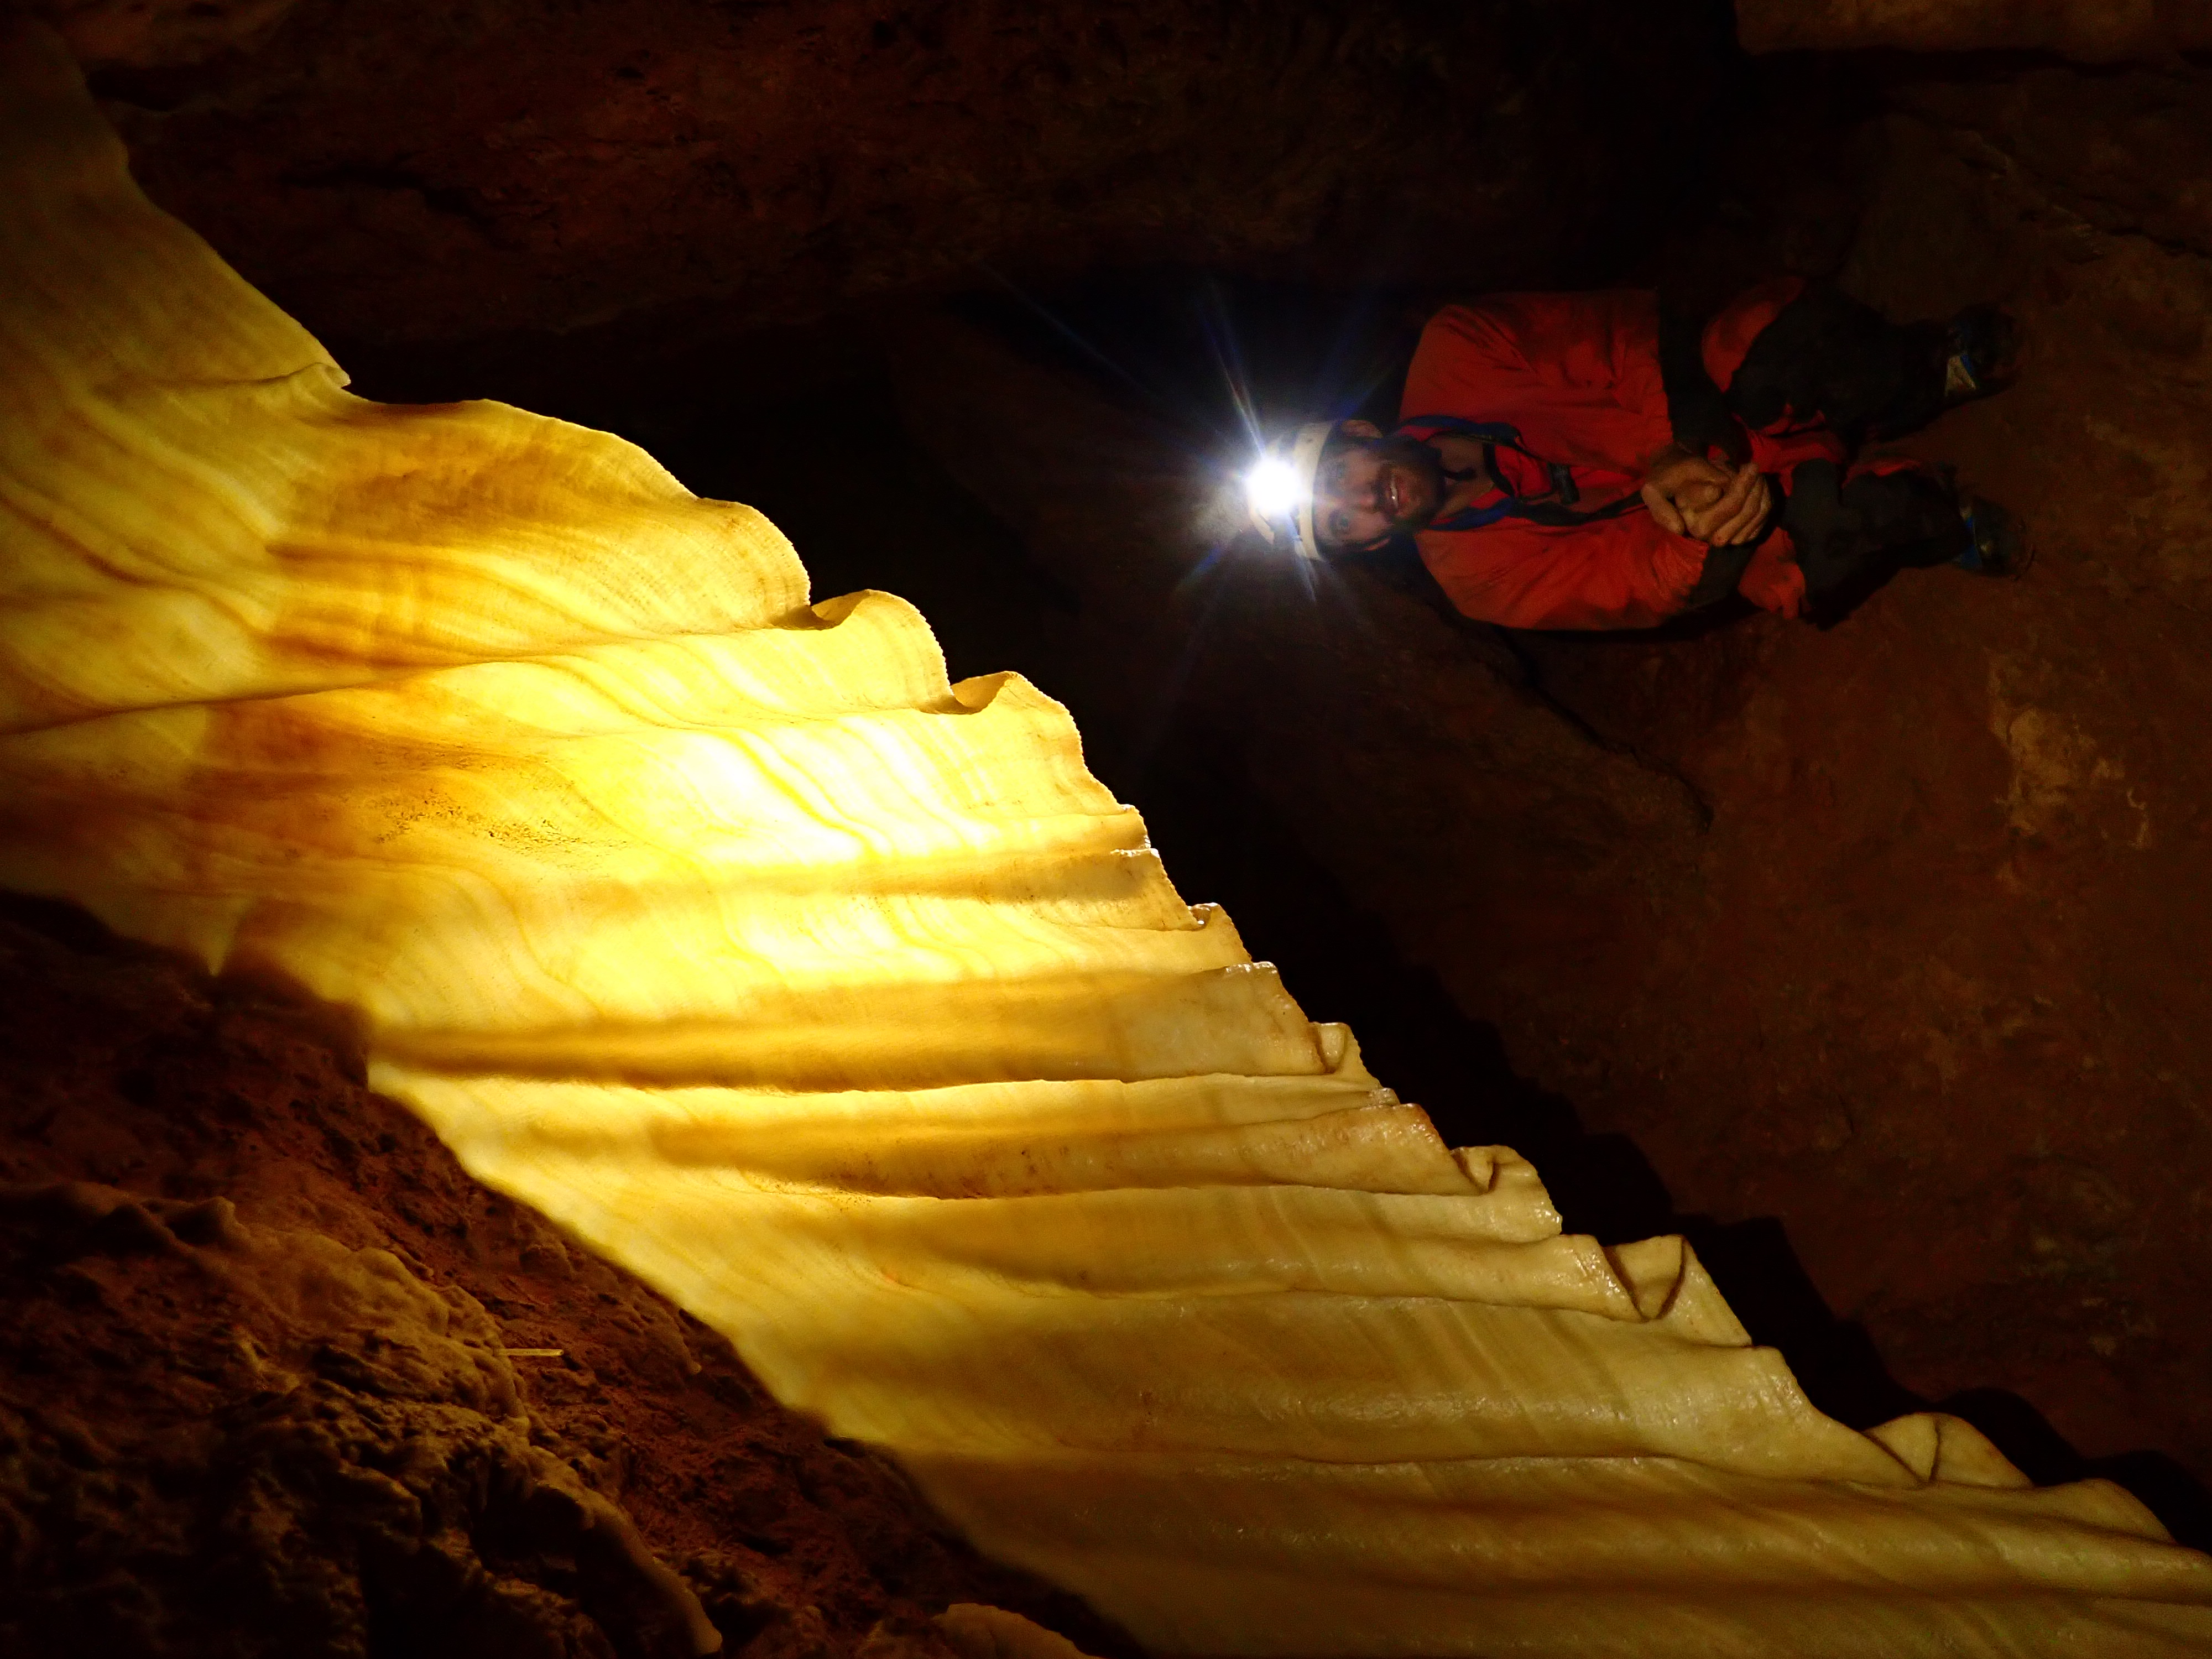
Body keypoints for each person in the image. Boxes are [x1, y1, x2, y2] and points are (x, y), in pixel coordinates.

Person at [1249, 279, 2022, 629]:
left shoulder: (1460, 348)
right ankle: (1933, 512)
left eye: (1336, 480)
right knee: (1805, 557)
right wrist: (1699, 532)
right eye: (1342, 527)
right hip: (1740, 500)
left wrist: (1669, 455)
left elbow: (1622, 342)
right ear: (1375, 544)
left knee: (1772, 342)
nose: (1358, 503)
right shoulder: (1482, 585)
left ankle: (1930, 373)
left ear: (1354, 435)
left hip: (1717, 403)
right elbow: (1631, 587)